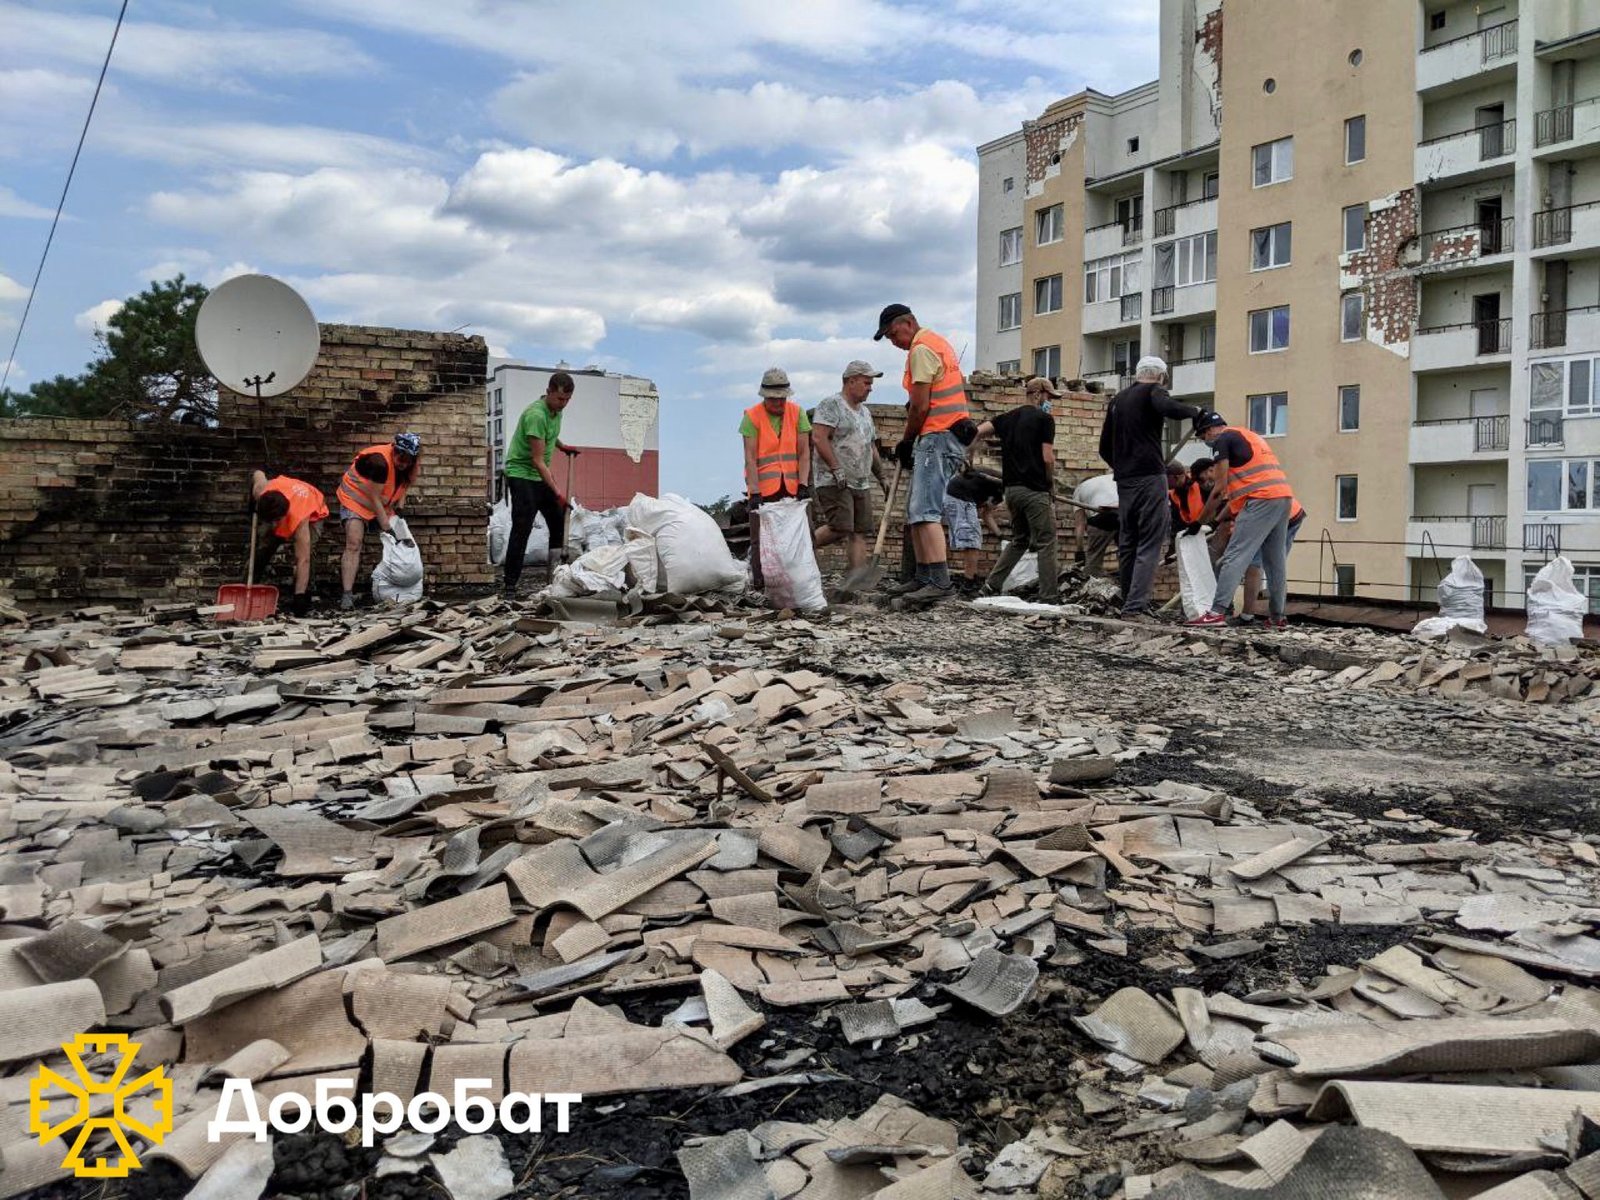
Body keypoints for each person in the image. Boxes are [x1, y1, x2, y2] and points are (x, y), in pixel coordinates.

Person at [874, 303, 975, 603]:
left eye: (893, 334)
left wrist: (907, 440)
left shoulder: (921, 349)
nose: (893, 342)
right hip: (943, 435)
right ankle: (923, 577)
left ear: (908, 323)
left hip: (938, 435)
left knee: (925, 511)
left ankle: (940, 583)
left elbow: (920, 406)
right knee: (916, 512)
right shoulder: (937, 343)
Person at [1098, 356, 1201, 618]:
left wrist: (1123, 467)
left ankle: (1128, 602)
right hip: (1149, 477)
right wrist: (1196, 412)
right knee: (1150, 540)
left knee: (1128, 541)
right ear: (1161, 376)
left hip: (1124, 480)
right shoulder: (1153, 391)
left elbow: (1104, 447)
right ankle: (1136, 607)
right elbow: (1168, 407)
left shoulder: (1118, 400)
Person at [1184, 411, 1296, 629]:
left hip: (1260, 500)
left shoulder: (1223, 440)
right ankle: (1277, 617)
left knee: (1235, 556)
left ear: (1209, 430)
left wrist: (1199, 522)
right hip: (1283, 498)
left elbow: (1219, 489)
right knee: (1275, 561)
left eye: (1203, 436)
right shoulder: (1248, 435)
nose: (1205, 441)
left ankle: (1216, 613)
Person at [975, 375, 1061, 602]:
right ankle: (1049, 597)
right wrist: (1050, 484)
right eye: (1049, 397)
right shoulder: (1045, 419)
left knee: (1020, 540)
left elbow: (977, 432)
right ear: (1038, 394)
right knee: (1046, 541)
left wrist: (968, 456)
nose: (1050, 401)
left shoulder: (1006, 418)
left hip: (1011, 492)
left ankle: (990, 586)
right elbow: (1047, 457)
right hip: (1034, 491)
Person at [503, 373, 580, 597]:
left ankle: (555, 578)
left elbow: (549, 435)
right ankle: (510, 586)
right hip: (521, 474)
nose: (563, 404)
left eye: (567, 400)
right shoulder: (536, 414)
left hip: (538, 474)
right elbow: (537, 461)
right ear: (548, 392)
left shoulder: (556, 412)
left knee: (558, 520)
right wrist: (558, 493)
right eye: (559, 399)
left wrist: (562, 446)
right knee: (522, 528)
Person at [812, 361, 887, 573]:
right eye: (866, 383)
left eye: (871, 384)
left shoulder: (865, 413)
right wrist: (836, 468)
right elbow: (819, 438)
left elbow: (870, 446)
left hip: (860, 481)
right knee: (840, 527)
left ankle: (857, 579)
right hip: (834, 480)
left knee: (859, 531)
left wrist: (882, 477)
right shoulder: (831, 405)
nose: (870, 388)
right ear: (851, 381)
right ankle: (801, 550)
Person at [742, 367, 812, 591]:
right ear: (765, 397)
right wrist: (754, 492)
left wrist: (803, 484)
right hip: (763, 489)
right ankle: (761, 584)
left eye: (783, 399)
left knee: (796, 536)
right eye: (774, 399)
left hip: (791, 487)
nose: (779, 403)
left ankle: (797, 583)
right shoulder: (752, 416)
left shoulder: (797, 413)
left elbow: (804, 453)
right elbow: (750, 458)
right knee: (761, 538)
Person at [336, 432, 422, 610]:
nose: (403, 463)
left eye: (408, 461)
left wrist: (400, 508)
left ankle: (397, 588)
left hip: (383, 505)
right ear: (395, 450)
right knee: (354, 543)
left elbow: (404, 485)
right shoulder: (379, 462)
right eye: (400, 457)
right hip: (356, 499)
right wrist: (386, 526)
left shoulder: (411, 465)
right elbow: (374, 498)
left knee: (401, 541)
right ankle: (347, 595)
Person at [249, 470, 327, 617]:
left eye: (277, 521)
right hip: (282, 499)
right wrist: (251, 503)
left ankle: (304, 592)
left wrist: (299, 596)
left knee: (307, 552)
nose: (274, 525)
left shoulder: (300, 517)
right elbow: (258, 473)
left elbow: (303, 559)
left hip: (310, 504)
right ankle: (248, 584)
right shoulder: (261, 491)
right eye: (271, 521)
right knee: (263, 547)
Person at [1241, 498, 1306, 620]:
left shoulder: (1229, 496)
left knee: (1255, 563)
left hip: (1275, 514)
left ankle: (1247, 615)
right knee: (1276, 564)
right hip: (1292, 512)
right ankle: (1277, 616)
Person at [1071, 471, 1119, 576]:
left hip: (1103, 515)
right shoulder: (1109, 478)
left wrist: (1080, 552)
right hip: (1128, 514)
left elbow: (1080, 525)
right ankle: (1129, 583)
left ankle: (1090, 580)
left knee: (1094, 559)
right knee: (1128, 556)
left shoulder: (1079, 489)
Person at [942, 496, 985, 593]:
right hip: (963, 500)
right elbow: (987, 513)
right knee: (971, 542)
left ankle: (971, 579)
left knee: (968, 542)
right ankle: (969, 583)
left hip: (954, 500)